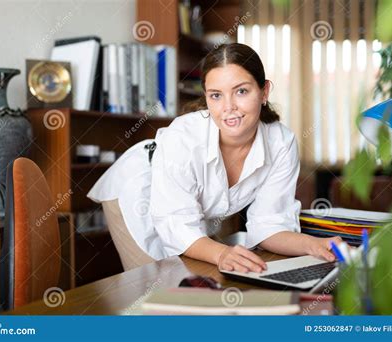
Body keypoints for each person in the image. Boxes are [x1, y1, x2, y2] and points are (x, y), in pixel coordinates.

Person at [87, 43, 342, 272]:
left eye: (241, 91)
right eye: (216, 95)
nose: (228, 106)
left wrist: (314, 245)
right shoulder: (183, 138)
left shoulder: (281, 143)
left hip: (185, 210)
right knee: (155, 289)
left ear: (264, 92)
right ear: (207, 97)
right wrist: (221, 253)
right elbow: (176, 224)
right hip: (136, 191)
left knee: (199, 281)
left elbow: (270, 224)